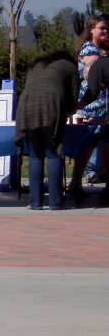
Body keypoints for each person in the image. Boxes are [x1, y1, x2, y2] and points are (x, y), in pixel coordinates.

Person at [16, 51, 79, 210]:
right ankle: (56, 203)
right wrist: (69, 112)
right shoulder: (69, 65)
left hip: (27, 104)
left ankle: (35, 203)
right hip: (51, 102)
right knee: (53, 153)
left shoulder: (36, 65)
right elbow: (73, 94)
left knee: (35, 154)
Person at [68, 15, 108, 205]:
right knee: (87, 145)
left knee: (104, 145)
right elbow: (94, 65)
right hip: (90, 104)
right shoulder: (89, 49)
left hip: (103, 106)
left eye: (108, 29)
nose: (106, 32)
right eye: (102, 28)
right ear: (91, 29)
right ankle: (75, 183)